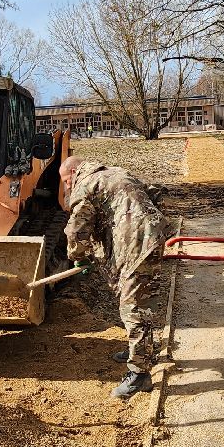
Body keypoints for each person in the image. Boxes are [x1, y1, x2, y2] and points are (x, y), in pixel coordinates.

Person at [60, 155, 167, 400]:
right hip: (149, 238)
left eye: (66, 181)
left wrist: (78, 257)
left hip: (136, 244)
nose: (67, 186)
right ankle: (141, 350)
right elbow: (154, 192)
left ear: (75, 171)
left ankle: (139, 374)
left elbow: (77, 228)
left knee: (133, 307)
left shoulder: (86, 184)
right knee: (137, 300)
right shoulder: (114, 172)